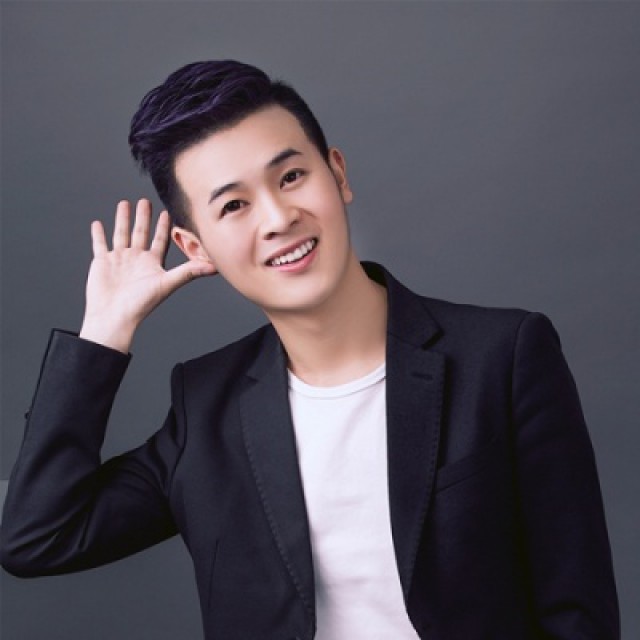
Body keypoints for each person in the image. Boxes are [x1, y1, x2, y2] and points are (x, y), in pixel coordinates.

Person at [0, 60, 619, 639]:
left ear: (338, 174)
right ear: (195, 248)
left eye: (291, 177)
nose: (278, 218)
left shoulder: (502, 358)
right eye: (234, 205)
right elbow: (38, 538)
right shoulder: (205, 408)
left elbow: (577, 608)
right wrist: (104, 332)